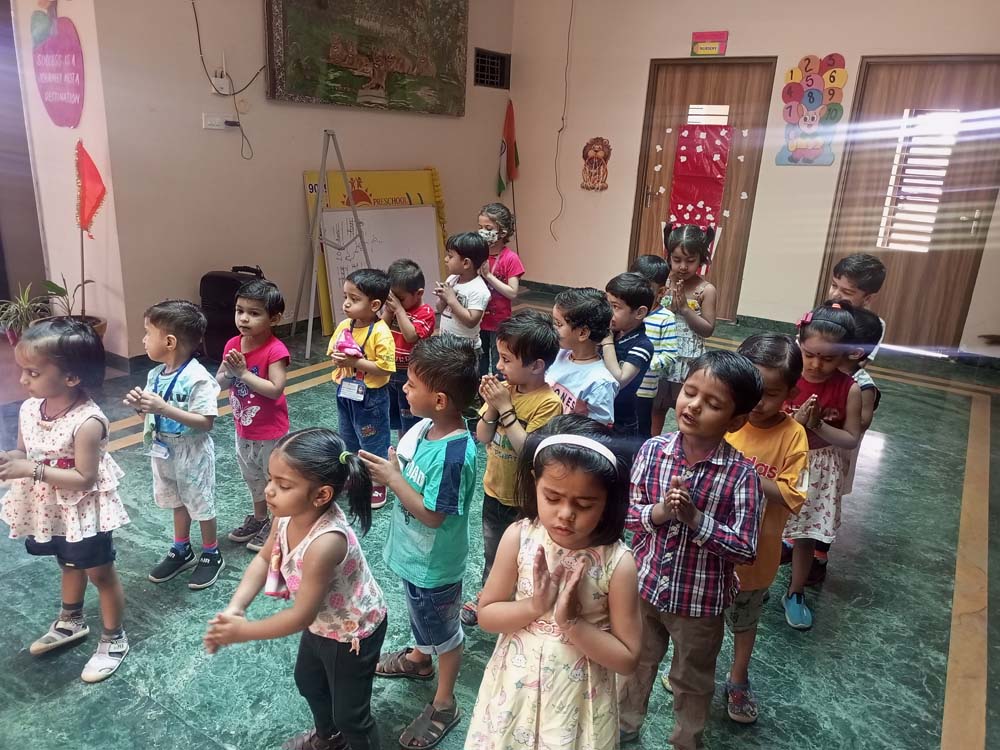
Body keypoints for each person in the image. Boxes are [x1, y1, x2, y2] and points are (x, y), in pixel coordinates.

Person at [465, 418, 642, 749]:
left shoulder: (617, 564)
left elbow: (628, 657)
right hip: (515, 691)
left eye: (584, 504)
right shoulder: (519, 537)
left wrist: (572, 623)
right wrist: (534, 605)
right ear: (535, 483)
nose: (565, 514)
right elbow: (486, 615)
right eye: (553, 497)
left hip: (578, 700)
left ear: (608, 500)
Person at [204, 428, 386, 750]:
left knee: (351, 716)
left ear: (321, 495)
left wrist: (243, 632)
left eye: (283, 485)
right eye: (270, 479)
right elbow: (264, 559)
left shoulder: (326, 543)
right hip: (323, 624)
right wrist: (236, 607)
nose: (269, 491)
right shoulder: (286, 515)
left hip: (352, 633)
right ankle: (328, 738)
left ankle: (349, 735)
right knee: (309, 682)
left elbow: (301, 616)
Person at [618, 350, 763, 750]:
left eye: (713, 403)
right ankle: (625, 724)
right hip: (644, 587)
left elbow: (745, 548)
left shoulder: (742, 475)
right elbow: (627, 515)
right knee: (635, 663)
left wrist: (697, 520)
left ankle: (687, 739)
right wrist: (661, 512)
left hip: (699, 604)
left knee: (692, 678)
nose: (694, 405)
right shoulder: (653, 451)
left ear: (736, 421)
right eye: (690, 392)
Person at [359, 334, 479, 750]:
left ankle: (445, 703)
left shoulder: (453, 454)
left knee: (445, 633)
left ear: (440, 400)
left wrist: (393, 479)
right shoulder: (427, 428)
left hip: (434, 566)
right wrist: (396, 469)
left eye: (411, 385)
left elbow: (433, 514)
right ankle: (418, 659)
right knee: (421, 617)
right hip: (415, 556)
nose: (404, 389)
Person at [0, 318, 130, 682]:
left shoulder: (87, 422)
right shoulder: (30, 408)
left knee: (100, 572)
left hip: (84, 509)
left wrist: (30, 469)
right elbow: (24, 451)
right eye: (23, 370)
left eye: (33, 372)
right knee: (68, 563)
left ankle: (114, 638)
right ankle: (71, 620)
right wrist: (10, 461)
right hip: (52, 509)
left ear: (71, 377)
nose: (23, 380)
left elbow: (84, 477)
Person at [719, 334, 808, 724]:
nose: (757, 403)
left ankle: (738, 678)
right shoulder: (725, 419)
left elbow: (792, 494)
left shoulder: (793, 436)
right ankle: (693, 666)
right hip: (708, 550)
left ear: (790, 393)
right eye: (750, 390)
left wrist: (744, 474)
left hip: (755, 558)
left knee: (744, 621)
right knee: (701, 619)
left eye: (770, 394)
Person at [461, 309, 563, 627]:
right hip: (495, 490)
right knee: (493, 551)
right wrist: (493, 405)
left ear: (536, 366)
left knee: (526, 552)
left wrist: (505, 408)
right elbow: (482, 435)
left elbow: (529, 452)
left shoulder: (548, 403)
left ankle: (523, 601)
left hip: (525, 499)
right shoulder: (505, 390)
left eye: (506, 360)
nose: (499, 367)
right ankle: (489, 594)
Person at [125, 300, 224, 590]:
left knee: (200, 502)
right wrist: (141, 408)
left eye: (148, 333)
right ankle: (181, 548)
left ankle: (211, 552)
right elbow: (152, 416)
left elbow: (205, 422)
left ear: (169, 342)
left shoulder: (198, 378)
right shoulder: (155, 375)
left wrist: (163, 408)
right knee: (176, 499)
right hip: (163, 449)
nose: (144, 340)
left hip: (192, 451)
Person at [781, 302, 862, 629]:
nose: (816, 364)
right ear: (798, 343)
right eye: (809, 354)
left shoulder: (849, 388)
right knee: (765, 525)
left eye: (828, 358)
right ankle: (751, 584)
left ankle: (796, 591)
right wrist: (793, 425)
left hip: (817, 469)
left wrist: (817, 425)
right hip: (781, 459)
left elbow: (850, 438)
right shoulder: (784, 374)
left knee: (805, 536)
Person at [218, 279, 290, 553]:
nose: (244, 318)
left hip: (270, 431)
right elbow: (219, 382)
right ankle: (260, 518)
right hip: (244, 428)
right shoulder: (233, 344)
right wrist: (229, 373)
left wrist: (243, 373)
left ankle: (277, 523)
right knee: (252, 477)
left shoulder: (275, 350)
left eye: (254, 313)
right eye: (240, 311)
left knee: (274, 478)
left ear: (274, 318)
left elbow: (275, 389)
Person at [327, 268, 396, 509]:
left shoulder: (381, 332)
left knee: (373, 440)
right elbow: (334, 350)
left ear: (375, 305)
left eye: (354, 299)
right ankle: (355, 474)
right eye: (345, 297)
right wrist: (338, 358)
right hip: (345, 391)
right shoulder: (345, 325)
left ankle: (378, 482)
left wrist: (354, 362)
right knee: (348, 436)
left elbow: (385, 368)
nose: (346, 303)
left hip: (371, 397)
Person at [652, 224, 718, 437]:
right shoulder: (662, 282)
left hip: (688, 361)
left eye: (690, 261)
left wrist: (684, 310)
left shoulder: (705, 290)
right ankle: (652, 444)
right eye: (677, 259)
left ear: (701, 260)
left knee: (686, 409)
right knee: (656, 407)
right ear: (669, 256)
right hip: (662, 355)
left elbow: (708, 329)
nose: (682, 266)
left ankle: (682, 446)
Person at [547, 287, 618, 426]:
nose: (553, 329)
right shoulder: (559, 353)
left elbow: (597, 431)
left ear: (583, 333)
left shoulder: (599, 383)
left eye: (559, 324)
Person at [382, 259, 436, 440]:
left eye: (401, 299)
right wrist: (389, 311)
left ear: (418, 293)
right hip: (391, 372)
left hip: (411, 375)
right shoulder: (394, 311)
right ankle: (402, 444)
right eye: (393, 298)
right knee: (397, 418)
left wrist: (399, 311)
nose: (396, 303)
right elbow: (381, 330)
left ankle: (413, 446)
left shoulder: (425, 313)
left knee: (411, 418)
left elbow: (411, 336)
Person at [630, 254, 678, 437]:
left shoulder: (665, 318)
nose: (639, 293)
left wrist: (641, 362)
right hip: (621, 385)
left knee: (641, 431)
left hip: (644, 390)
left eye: (646, 288)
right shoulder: (627, 311)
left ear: (661, 292)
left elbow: (670, 355)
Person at [601, 272, 654, 437]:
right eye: (607, 304)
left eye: (615, 307)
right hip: (599, 410)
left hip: (621, 421)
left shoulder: (643, 345)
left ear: (639, 313)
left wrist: (607, 342)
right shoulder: (614, 331)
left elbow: (619, 380)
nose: (607, 312)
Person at [477, 202, 525, 375]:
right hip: (477, 319)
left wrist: (488, 276)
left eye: (488, 228)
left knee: (499, 362)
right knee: (479, 362)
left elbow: (512, 292)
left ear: (502, 232)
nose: (482, 232)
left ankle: (501, 387)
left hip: (499, 322)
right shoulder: (478, 254)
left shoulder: (510, 258)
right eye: (480, 227)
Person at [435, 232, 492, 353]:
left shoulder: (479, 289)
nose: (445, 259)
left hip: (466, 351)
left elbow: (471, 321)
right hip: (446, 344)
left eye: (450, 256)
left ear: (466, 263)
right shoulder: (452, 279)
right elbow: (440, 309)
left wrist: (451, 299)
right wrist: (442, 298)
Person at [826, 252, 887, 359]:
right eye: (834, 285)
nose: (835, 294)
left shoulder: (873, 326)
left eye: (847, 292)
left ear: (868, 298)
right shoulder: (823, 312)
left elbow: (860, 362)